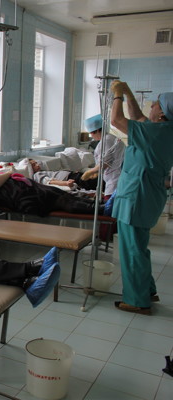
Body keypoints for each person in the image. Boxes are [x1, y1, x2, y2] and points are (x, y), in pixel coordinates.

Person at [109, 81, 173, 315]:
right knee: (139, 246)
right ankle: (147, 290)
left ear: (162, 113)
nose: (152, 105)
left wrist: (117, 96)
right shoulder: (164, 130)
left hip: (136, 197)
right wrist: (127, 92)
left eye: (155, 104)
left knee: (132, 250)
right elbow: (137, 117)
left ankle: (137, 300)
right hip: (148, 196)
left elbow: (116, 120)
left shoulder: (153, 133)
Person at [0, 167, 108, 217]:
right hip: (28, 200)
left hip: (34, 191)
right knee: (62, 202)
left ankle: (99, 205)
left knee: (63, 195)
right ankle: (101, 210)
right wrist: (8, 172)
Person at [80, 114, 125, 199]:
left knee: (110, 204)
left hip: (115, 180)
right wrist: (97, 171)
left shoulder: (106, 141)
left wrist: (90, 171)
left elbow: (105, 163)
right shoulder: (111, 138)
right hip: (116, 178)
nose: (91, 136)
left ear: (97, 130)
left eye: (91, 133)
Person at [29, 159, 99, 190]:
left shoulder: (42, 171)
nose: (37, 165)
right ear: (29, 168)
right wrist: (66, 183)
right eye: (34, 165)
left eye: (36, 163)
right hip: (71, 178)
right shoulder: (37, 175)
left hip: (73, 175)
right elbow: (50, 182)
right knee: (96, 182)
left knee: (97, 180)